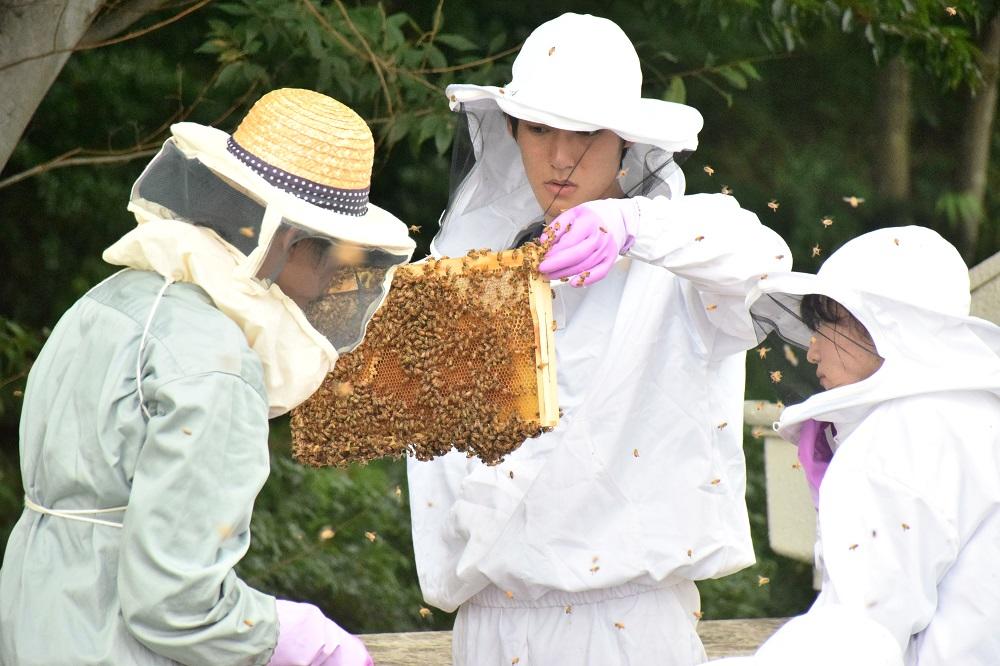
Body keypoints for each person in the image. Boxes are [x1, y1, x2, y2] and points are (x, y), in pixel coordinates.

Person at [406, 13, 792, 665]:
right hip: (485, 627)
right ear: (510, 130)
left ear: (626, 139)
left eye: (586, 133)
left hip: (625, 627)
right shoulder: (467, 262)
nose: (560, 156)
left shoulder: (678, 261)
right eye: (539, 128)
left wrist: (632, 224)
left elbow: (766, 264)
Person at [0, 88, 416, 665]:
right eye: (336, 259)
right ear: (291, 242)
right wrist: (280, 634)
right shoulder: (217, 363)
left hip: (37, 626)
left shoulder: (108, 300)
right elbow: (177, 606)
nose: (330, 286)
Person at [714, 225, 1000, 665]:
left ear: (884, 325)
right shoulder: (973, 415)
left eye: (827, 324)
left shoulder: (896, 439)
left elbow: (856, 636)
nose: (811, 353)